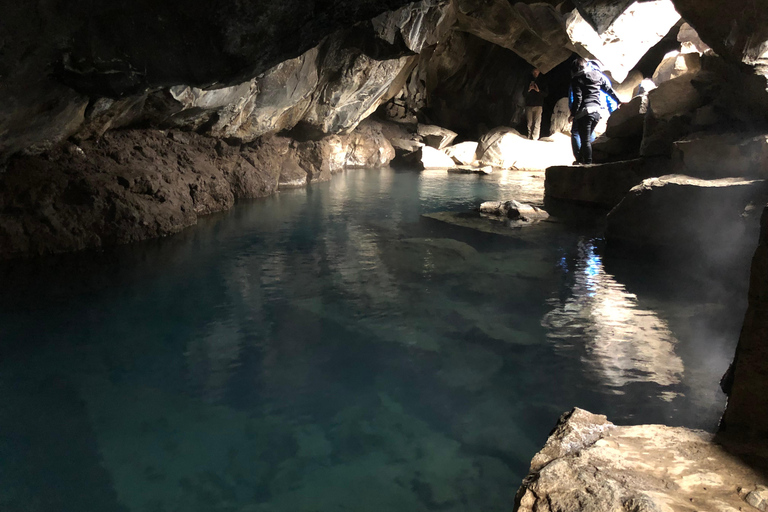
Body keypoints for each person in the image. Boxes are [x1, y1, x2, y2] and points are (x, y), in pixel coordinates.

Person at [569, 58, 621, 164]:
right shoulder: (598, 75)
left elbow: (577, 98)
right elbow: (608, 90)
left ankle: (587, 163)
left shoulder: (577, 79)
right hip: (597, 112)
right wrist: (619, 101)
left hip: (585, 112)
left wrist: (573, 114)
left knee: (584, 139)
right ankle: (582, 160)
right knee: (587, 136)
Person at [525, 68, 548, 140]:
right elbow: (524, 94)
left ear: (539, 71)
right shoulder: (528, 81)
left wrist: (538, 91)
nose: (535, 73)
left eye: (537, 71)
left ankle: (535, 138)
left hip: (538, 105)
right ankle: (529, 137)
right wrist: (529, 89)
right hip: (529, 104)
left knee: (537, 123)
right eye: (534, 71)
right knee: (529, 123)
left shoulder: (543, 81)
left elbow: (546, 94)